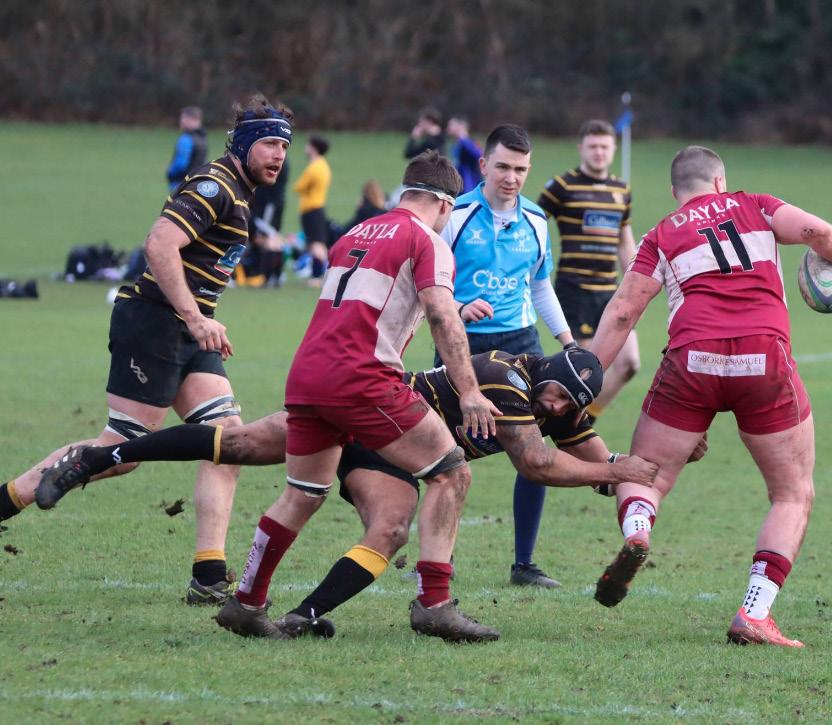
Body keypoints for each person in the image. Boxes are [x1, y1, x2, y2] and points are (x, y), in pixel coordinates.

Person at [36, 348, 670, 638]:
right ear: (546, 373)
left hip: (386, 451)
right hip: (371, 414)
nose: (555, 407)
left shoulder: (557, 406)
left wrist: (634, 465)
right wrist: (622, 472)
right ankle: (100, 456)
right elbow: (538, 464)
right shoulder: (506, 378)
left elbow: (594, 459)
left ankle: (300, 617)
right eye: (555, 395)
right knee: (240, 444)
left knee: (390, 525)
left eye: (567, 405)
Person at [0, 94, 293, 606]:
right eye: (270, 143)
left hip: (187, 330)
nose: (279, 155)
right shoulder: (214, 185)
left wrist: (202, 319)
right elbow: (159, 244)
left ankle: (208, 577)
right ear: (245, 143)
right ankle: (9, 499)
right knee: (123, 449)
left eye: (284, 147)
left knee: (228, 442)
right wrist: (195, 316)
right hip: (154, 324)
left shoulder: (241, 194)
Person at [212, 150, 505, 642]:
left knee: (303, 494)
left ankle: (246, 602)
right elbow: (440, 314)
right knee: (452, 472)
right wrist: (470, 391)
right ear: (444, 204)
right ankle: (434, 604)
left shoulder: (356, 233)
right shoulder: (427, 239)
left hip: (308, 375)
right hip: (362, 377)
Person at [588, 145, 832, 647]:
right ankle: (754, 613)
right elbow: (820, 235)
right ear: (721, 181)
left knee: (647, 473)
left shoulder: (661, 234)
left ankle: (638, 529)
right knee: (791, 493)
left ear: (675, 192)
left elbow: (623, 311)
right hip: (763, 357)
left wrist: (584, 378)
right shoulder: (756, 205)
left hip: (692, 359)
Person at [440, 123, 575, 589]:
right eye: (502, 167)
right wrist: (458, 307)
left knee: (534, 451)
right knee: (445, 451)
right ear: (483, 165)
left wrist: (568, 343)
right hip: (463, 344)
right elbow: (427, 283)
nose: (511, 177)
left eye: (520, 169)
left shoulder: (536, 220)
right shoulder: (455, 216)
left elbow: (540, 286)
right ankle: (440, 562)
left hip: (522, 344)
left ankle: (525, 564)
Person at [538, 119, 639, 423]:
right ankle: (570, 428)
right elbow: (532, 225)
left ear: (613, 149)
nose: (599, 152)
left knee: (630, 363)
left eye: (604, 147)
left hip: (610, 293)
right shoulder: (562, 186)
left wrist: (636, 285)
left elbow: (625, 242)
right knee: (582, 371)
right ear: (581, 147)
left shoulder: (622, 190)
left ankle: (582, 422)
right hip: (574, 291)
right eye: (593, 146)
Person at [293, 135, 333, 281]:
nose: (306, 148)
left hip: (311, 209)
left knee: (315, 244)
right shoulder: (324, 166)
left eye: (308, 145)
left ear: (313, 148)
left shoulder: (314, 168)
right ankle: (322, 274)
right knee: (318, 243)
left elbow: (298, 187)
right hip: (319, 208)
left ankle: (320, 275)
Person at [250, 157, 290, 287]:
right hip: (276, 202)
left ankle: (269, 278)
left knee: (268, 238)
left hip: (269, 204)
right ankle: (276, 277)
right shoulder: (282, 159)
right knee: (272, 237)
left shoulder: (275, 160)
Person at [166, 106, 208, 192]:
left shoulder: (186, 139)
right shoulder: (203, 138)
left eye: (183, 118)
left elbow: (181, 163)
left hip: (181, 185)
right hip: (197, 184)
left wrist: (170, 174)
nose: (181, 121)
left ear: (191, 119)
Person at [447, 115, 483, 192]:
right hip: (458, 185)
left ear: (461, 126)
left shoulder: (467, 143)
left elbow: (479, 155)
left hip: (468, 186)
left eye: (451, 124)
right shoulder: (457, 143)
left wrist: (463, 139)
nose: (448, 127)